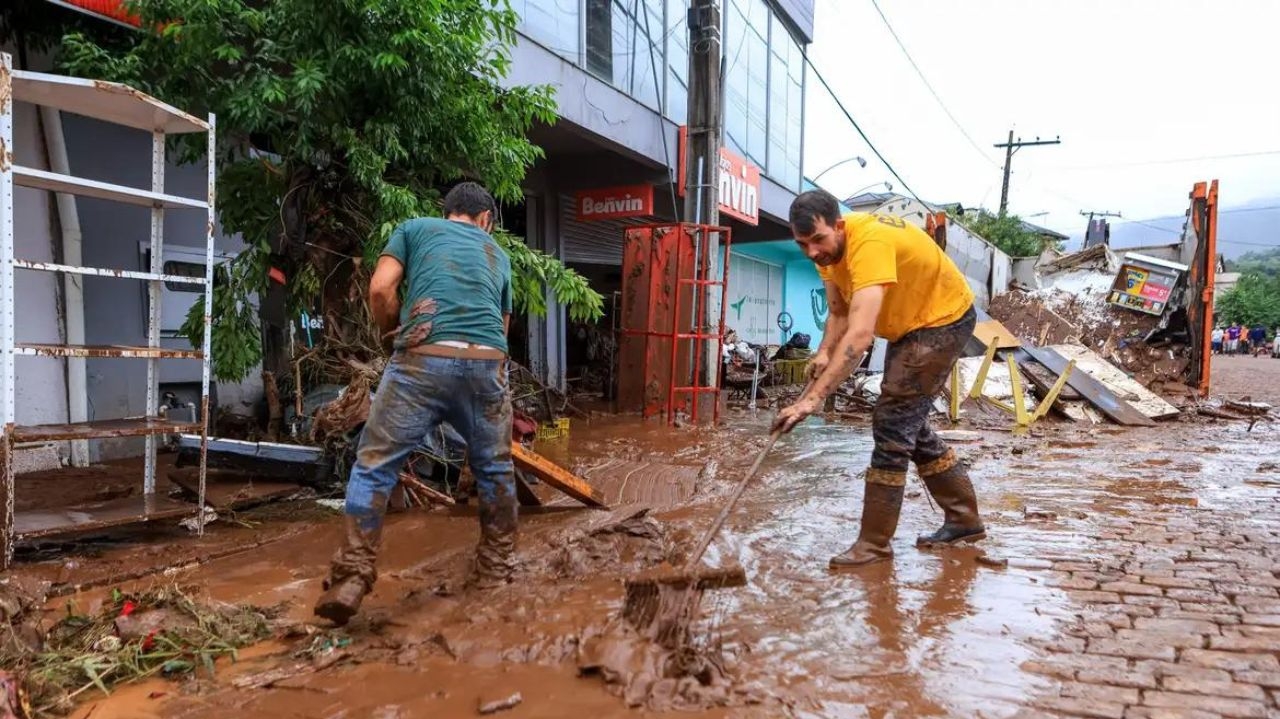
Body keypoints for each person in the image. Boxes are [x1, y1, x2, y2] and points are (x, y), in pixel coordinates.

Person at [314, 182, 516, 625]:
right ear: (486, 220)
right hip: (486, 364)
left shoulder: (413, 229)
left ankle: (352, 576)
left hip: (422, 360)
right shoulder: (498, 255)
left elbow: (380, 290)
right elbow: (501, 329)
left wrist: (391, 332)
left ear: (448, 212)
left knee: (374, 465)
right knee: (495, 468)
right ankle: (495, 573)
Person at [774, 189, 983, 568]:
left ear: (839, 225)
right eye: (802, 244)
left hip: (943, 319)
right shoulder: (827, 253)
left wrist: (812, 399)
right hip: (909, 326)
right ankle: (964, 519)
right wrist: (823, 352)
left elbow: (860, 336)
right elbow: (838, 314)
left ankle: (873, 544)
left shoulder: (868, 243)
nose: (811, 252)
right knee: (906, 424)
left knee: (892, 424)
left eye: (817, 240)